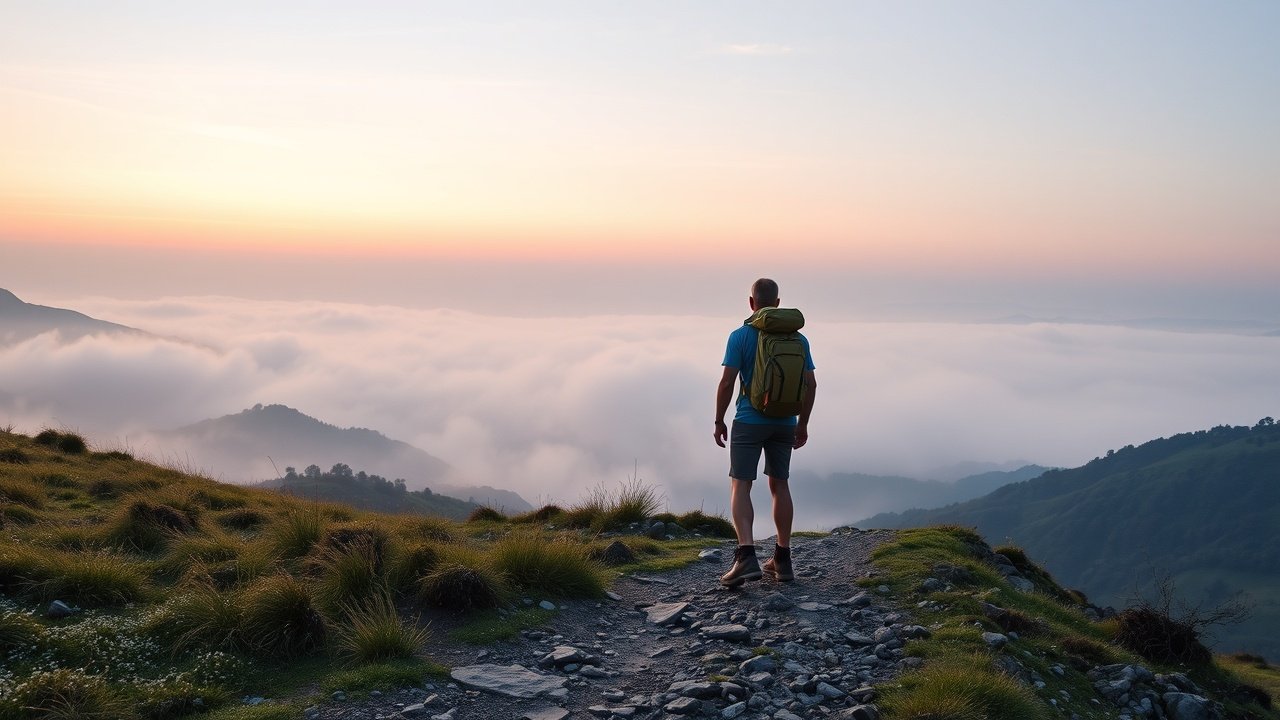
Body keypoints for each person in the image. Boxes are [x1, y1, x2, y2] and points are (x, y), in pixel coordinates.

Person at [714, 278, 816, 587]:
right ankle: (782, 560)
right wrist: (802, 423)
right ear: (779, 303)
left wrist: (719, 420)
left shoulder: (740, 336)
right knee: (780, 485)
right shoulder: (799, 340)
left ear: (751, 303)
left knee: (740, 485)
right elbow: (810, 385)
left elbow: (728, 382)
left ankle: (746, 556)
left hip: (748, 420)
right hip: (785, 420)